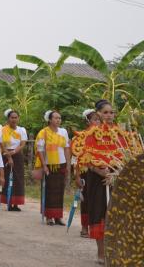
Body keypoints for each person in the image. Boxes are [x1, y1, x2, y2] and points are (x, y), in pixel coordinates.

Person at [73, 100, 128, 265]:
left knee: (115, 214)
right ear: (98, 114)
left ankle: (115, 251)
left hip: (116, 177)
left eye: (111, 112)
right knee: (99, 214)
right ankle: (101, 253)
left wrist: (117, 171)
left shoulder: (120, 133)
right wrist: (99, 171)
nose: (109, 115)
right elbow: (85, 157)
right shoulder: (91, 134)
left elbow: (126, 155)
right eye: (105, 112)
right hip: (97, 179)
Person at [35, 110, 71, 226]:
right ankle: (49, 216)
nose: (58, 120)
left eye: (59, 118)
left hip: (61, 164)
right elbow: (40, 150)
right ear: (50, 120)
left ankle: (58, 217)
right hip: (49, 164)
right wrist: (44, 166)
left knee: (60, 190)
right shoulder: (43, 132)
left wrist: (68, 165)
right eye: (55, 118)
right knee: (49, 190)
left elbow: (66, 148)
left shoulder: (63, 132)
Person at [71, 108, 101, 238]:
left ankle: (97, 229)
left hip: (98, 172)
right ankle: (84, 227)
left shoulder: (103, 136)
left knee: (97, 201)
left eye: (99, 120)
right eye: (95, 119)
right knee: (86, 200)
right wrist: (77, 176)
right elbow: (75, 158)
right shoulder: (80, 136)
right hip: (84, 171)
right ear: (88, 121)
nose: (97, 122)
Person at [0, 109, 28, 211]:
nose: (14, 119)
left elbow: (23, 144)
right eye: (12, 117)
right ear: (8, 118)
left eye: (16, 117)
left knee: (18, 179)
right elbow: (2, 145)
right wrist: (9, 155)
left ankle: (16, 203)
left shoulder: (21, 130)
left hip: (18, 155)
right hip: (6, 154)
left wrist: (14, 152)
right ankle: (9, 202)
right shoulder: (3, 130)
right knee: (8, 178)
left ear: (18, 118)